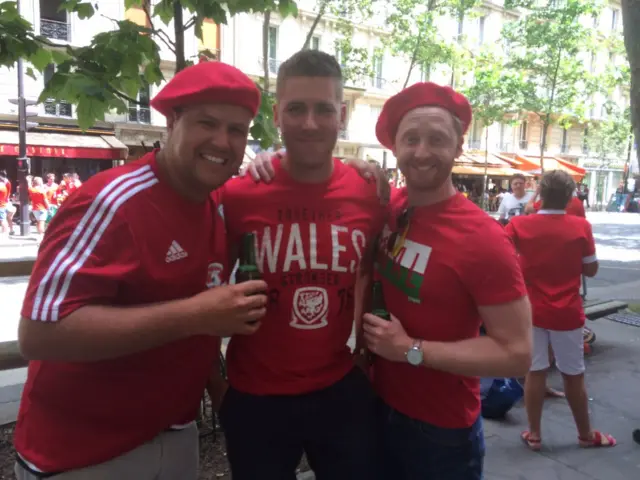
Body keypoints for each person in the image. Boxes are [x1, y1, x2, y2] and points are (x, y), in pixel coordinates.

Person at [14, 60, 268, 480]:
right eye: (208, 123)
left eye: (237, 130)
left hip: (176, 434)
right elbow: (39, 333)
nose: (223, 141)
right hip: (81, 455)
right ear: (172, 121)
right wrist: (198, 314)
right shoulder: (112, 201)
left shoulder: (220, 204)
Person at [218, 49, 386, 480]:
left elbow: (367, 270)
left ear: (341, 115)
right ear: (277, 114)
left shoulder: (369, 193)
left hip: (338, 387)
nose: (310, 123)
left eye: (323, 109)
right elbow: (205, 291)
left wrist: (365, 354)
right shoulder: (239, 196)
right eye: (296, 108)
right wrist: (215, 386)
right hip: (255, 397)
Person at [362, 82, 532, 479]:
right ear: (395, 147)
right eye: (411, 139)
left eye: (437, 139)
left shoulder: (483, 239)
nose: (422, 152)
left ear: (458, 147)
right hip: (375, 407)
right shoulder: (392, 207)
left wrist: (410, 350)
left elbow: (518, 352)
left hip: (439, 433)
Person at [505, 170, 616, 451]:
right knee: (573, 374)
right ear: (570, 197)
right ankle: (585, 434)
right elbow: (591, 269)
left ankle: (535, 434)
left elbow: (500, 257)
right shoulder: (580, 227)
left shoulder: (519, 225)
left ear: (539, 192)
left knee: (535, 371)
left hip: (530, 309)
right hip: (566, 311)